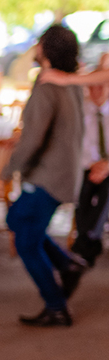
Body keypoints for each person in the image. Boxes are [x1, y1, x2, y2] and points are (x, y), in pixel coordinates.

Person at [0, 25, 85, 327]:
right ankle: (66, 265)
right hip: (64, 171)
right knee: (17, 219)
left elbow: (35, 139)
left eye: (39, 44)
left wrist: (2, 176)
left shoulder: (47, 85)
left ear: (46, 50)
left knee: (27, 242)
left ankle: (56, 305)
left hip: (47, 176)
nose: (35, 49)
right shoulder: (70, 83)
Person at [70, 54, 109, 271]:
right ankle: (88, 241)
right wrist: (93, 166)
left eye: (101, 87)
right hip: (88, 166)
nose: (97, 92)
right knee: (81, 193)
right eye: (92, 87)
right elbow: (78, 146)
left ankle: (85, 242)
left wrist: (106, 166)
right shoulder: (82, 111)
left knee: (106, 193)